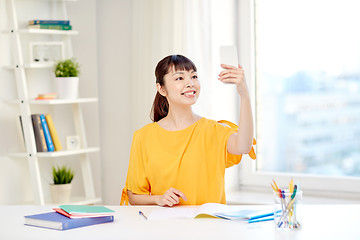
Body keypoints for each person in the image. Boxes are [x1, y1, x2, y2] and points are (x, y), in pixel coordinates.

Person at [120, 55, 256, 207]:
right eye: (179, 78)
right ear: (161, 89)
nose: (190, 83)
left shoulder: (213, 130)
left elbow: (244, 146)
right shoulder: (143, 137)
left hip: (209, 227)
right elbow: (134, 197)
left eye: (194, 76)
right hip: (165, 228)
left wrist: (244, 94)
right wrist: (158, 198)